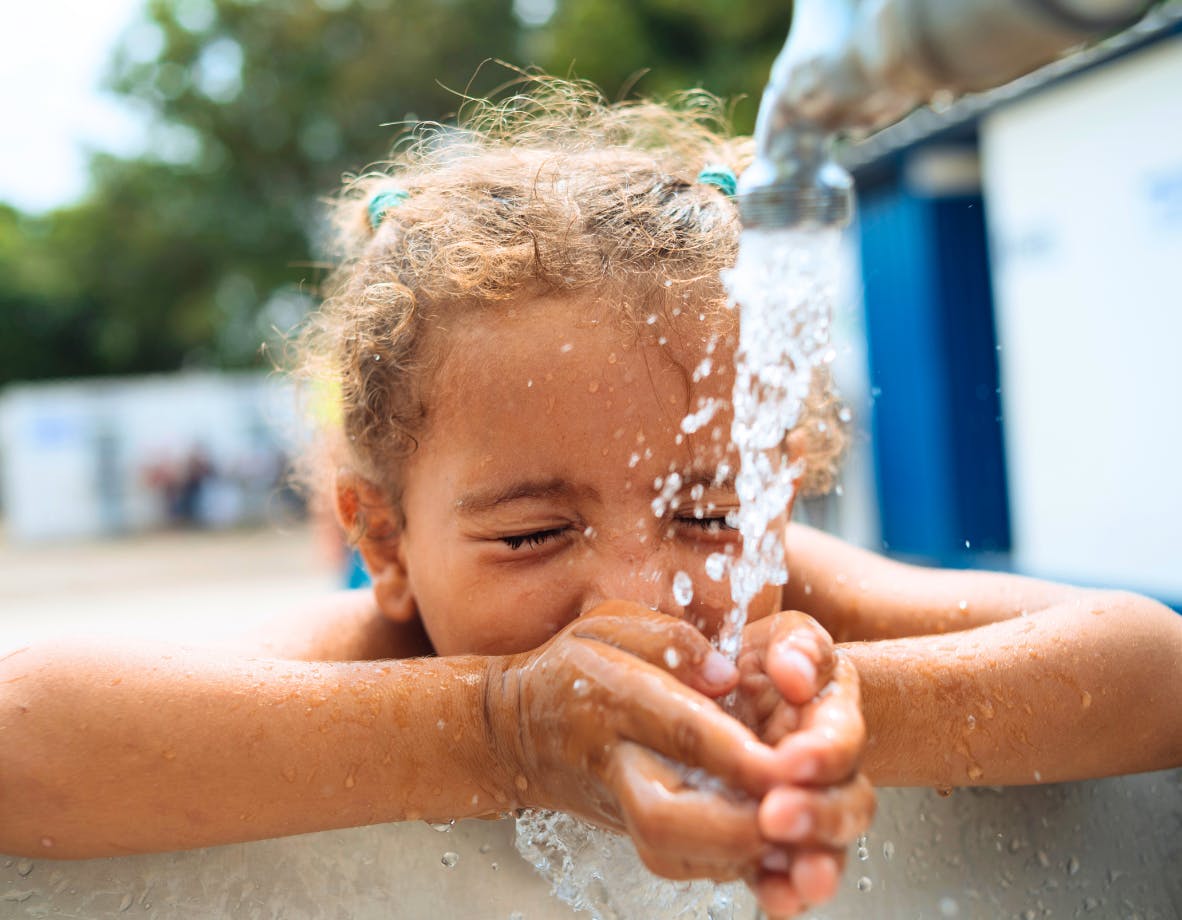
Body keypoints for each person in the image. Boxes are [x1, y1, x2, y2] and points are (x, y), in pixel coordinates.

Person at [1, 80, 1179, 920]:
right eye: (532, 533)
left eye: (710, 515)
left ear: (781, 497)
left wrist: (829, 715)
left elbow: (1149, 665)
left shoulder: (799, 615)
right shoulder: (370, 646)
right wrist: (493, 728)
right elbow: (23, 735)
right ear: (385, 542)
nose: (642, 594)